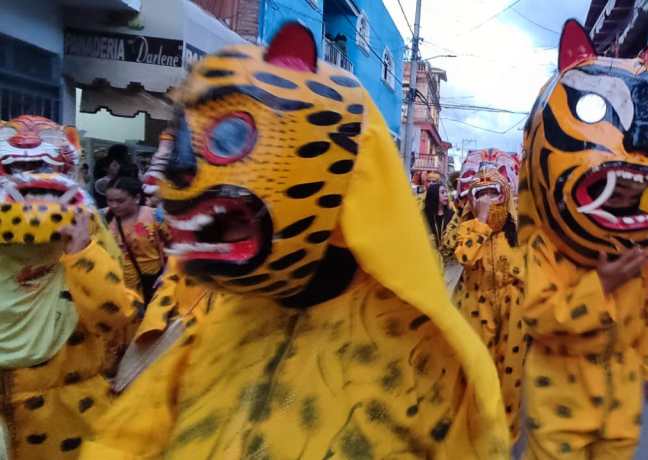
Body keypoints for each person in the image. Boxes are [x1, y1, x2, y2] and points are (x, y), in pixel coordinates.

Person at [80, 22, 508, 459]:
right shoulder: (223, 322)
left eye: (229, 136)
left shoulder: (424, 356)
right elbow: (124, 439)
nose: (179, 170)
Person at [518, 20, 648, 459]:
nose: (623, 190)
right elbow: (539, 317)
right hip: (560, 399)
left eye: (630, 183)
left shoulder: (644, 247)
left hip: (621, 400)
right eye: (614, 182)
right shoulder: (544, 249)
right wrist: (601, 284)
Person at [0, 114, 139, 459]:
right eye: (19, 170)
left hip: (67, 417)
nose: (30, 180)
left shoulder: (85, 227)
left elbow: (114, 314)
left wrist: (81, 251)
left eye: (41, 169)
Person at [451, 168, 526, 442]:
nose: (486, 199)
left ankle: (506, 435)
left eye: (492, 193)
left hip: (513, 308)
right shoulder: (466, 227)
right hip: (474, 304)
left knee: (511, 374)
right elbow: (464, 257)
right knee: (477, 371)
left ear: (504, 196)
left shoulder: (518, 231)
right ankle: (476, 432)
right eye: (480, 193)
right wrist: (480, 221)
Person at [105, 176, 168, 304]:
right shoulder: (105, 219)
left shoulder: (155, 216)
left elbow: (177, 247)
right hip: (123, 289)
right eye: (109, 200)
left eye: (120, 201)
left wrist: (167, 274)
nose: (113, 205)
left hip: (155, 283)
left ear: (137, 198)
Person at [422, 182, 454, 261]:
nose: (446, 195)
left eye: (446, 192)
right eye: (442, 192)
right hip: (430, 258)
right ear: (434, 195)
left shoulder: (451, 214)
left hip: (450, 259)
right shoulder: (424, 216)